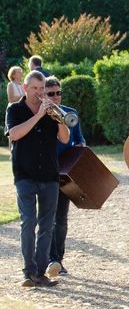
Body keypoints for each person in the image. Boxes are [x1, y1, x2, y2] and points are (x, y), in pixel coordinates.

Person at [5, 70, 70, 287]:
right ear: (25, 88)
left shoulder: (51, 111)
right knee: (28, 222)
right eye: (34, 88)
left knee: (47, 225)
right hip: (24, 174)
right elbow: (14, 134)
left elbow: (64, 138)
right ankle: (28, 271)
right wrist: (39, 116)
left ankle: (40, 272)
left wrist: (58, 117)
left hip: (50, 175)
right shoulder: (15, 109)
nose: (39, 93)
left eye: (42, 89)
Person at [43, 76, 85, 278]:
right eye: (51, 94)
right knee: (45, 218)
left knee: (60, 219)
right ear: (43, 94)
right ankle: (45, 259)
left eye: (58, 93)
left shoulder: (71, 114)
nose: (56, 97)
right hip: (43, 173)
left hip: (64, 174)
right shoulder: (38, 114)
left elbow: (79, 143)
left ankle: (57, 260)